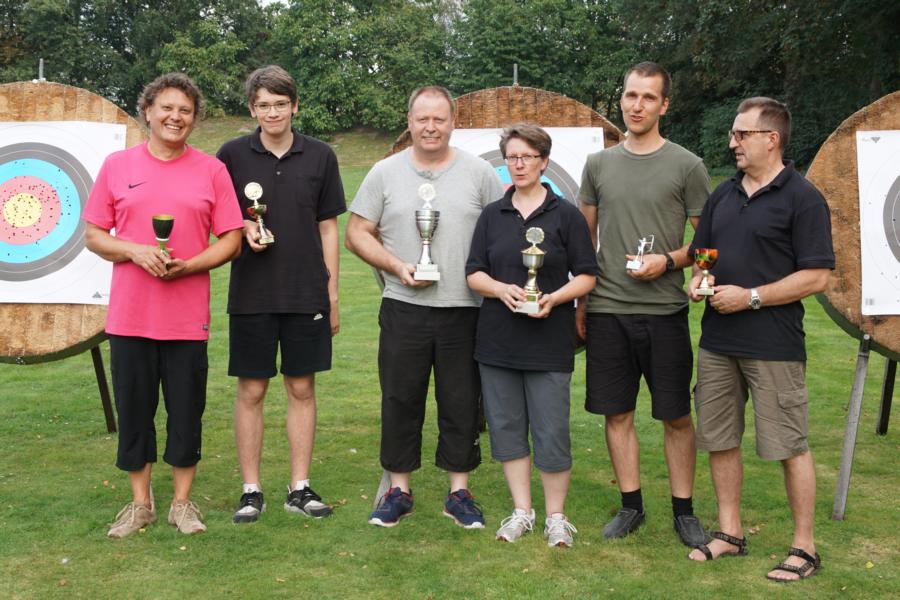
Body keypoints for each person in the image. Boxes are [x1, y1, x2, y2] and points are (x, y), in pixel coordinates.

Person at [83, 73, 244, 538]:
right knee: (134, 412)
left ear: (194, 119)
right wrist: (135, 251)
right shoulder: (117, 166)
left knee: (186, 413)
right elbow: (94, 235)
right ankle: (140, 505)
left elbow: (231, 239)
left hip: (186, 319)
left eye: (185, 111)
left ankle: (181, 504)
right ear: (148, 111)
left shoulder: (211, 171)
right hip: (130, 317)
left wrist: (190, 265)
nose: (176, 117)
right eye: (167, 108)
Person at [686, 97, 833, 582]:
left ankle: (805, 547)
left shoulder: (803, 198)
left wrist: (751, 297)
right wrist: (700, 279)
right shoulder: (724, 194)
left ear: (772, 139)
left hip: (774, 345)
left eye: (741, 134)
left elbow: (816, 276)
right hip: (717, 344)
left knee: (789, 444)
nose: (733, 142)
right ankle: (730, 533)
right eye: (733, 134)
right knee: (719, 438)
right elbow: (703, 253)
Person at [345, 85, 503, 529]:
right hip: (404, 306)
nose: (430, 127)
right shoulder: (384, 172)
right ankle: (398, 490)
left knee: (461, 401)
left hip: (465, 308)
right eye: (422, 119)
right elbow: (356, 233)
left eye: (439, 119)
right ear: (409, 121)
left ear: (454, 122)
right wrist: (397, 266)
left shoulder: (479, 173)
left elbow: (501, 232)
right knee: (400, 398)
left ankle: (459, 492)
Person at [576, 61, 710, 546]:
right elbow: (584, 240)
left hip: (664, 312)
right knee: (617, 414)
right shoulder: (598, 164)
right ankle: (631, 506)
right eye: (631, 95)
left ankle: (684, 512)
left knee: (676, 416)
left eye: (648, 97)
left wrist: (668, 262)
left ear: (664, 105)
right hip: (608, 309)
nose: (637, 106)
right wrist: (581, 302)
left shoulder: (687, 165)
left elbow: (708, 243)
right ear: (622, 99)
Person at [216, 65, 346, 523]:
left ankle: (299, 487)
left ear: (295, 106)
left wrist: (331, 293)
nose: (272, 112)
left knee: (302, 387)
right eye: (263, 105)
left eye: (280, 104)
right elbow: (217, 218)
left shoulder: (321, 155)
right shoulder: (231, 154)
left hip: (305, 292)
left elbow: (328, 227)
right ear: (252, 109)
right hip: (251, 292)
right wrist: (244, 225)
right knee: (251, 389)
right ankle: (251, 490)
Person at [466, 124, 597, 547]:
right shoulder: (492, 214)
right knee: (506, 428)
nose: (518, 164)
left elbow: (588, 276)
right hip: (498, 341)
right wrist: (500, 289)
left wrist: (555, 297)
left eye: (527, 157)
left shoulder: (566, 215)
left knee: (551, 430)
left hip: (549, 341)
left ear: (544, 161)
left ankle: (556, 516)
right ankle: (522, 511)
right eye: (512, 157)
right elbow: (473, 273)